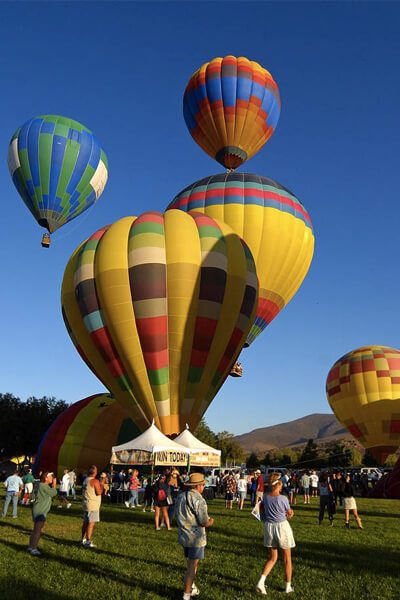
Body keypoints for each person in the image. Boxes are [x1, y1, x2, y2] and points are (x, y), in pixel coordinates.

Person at [175, 472, 214, 600]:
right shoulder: (199, 500)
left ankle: (191, 587)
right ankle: (186, 595)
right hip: (196, 538)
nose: (204, 487)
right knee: (192, 566)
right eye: (203, 484)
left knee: (190, 564)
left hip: (184, 535)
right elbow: (203, 521)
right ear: (199, 486)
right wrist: (210, 522)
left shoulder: (181, 497)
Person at [256, 472, 295, 595]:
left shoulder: (266, 497)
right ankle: (288, 586)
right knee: (287, 558)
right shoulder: (283, 498)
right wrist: (290, 513)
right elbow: (289, 512)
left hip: (269, 528)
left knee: (272, 558)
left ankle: (261, 581)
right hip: (282, 527)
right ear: (278, 484)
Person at [28, 471, 57, 556]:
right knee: (38, 531)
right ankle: (34, 548)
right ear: (46, 478)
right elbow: (54, 493)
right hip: (41, 511)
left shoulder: (40, 485)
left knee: (35, 530)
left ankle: (30, 546)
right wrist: (54, 484)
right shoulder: (44, 486)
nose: (52, 479)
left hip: (37, 509)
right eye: (51, 477)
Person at [81, 465, 103, 548]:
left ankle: (82, 539)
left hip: (86, 503)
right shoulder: (95, 481)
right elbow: (99, 492)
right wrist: (101, 484)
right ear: (95, 472)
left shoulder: (85, 480)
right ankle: (88, 541)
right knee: (91, 523)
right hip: (93, 505)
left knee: (85, 523)